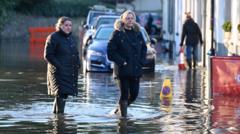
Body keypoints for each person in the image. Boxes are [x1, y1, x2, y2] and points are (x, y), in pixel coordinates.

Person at [107, 10, 147, 118]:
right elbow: (110, 52)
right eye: (127, 18)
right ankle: (123, 120)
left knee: (134, 94)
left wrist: (142, 61)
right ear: (123, 20)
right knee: (124, 94)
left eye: (132, 18)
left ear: (134, 20)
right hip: (122, 70)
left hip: (136, 69)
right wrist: (122, 61)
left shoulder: (138, 33)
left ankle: (119, 108)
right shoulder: (117, 33)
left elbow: (144, 48)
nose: (130, 20)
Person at [44, 16, 81, 114]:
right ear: (60, 26)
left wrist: (78, 63)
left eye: (70, 25)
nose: (68, 27)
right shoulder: (53, 37)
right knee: (61, 94)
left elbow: (75, 53)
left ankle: (57, 118)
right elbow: (48, 55)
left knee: (63, 95)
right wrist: (59, 66)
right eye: (66, 25)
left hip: (69, 71)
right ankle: (59, 119)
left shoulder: (71, 38)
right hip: (58, 72)